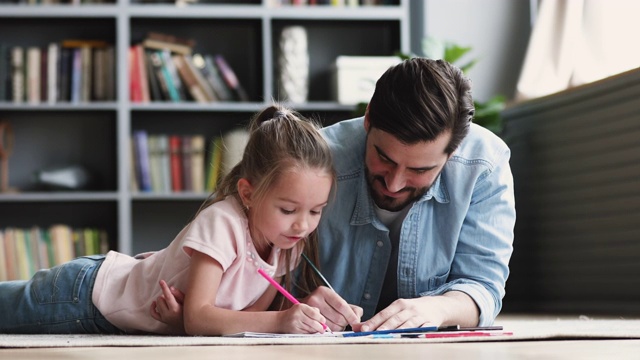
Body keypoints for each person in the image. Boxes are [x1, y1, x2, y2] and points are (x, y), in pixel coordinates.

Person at [0, 105, 343, 335]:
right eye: (288, 210)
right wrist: (282, 320)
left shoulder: (286, 242)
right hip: (88, 297)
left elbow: (242, 321)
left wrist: (187, 322)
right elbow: (199, 316)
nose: (303, 226)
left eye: (316, 211)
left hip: (114, 314)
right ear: (249, 193)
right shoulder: (223, 222)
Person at [302, 57, 516, 332]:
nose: (393, 184)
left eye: (419, 169)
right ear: (368, 119)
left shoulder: (484, 166)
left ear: (453, 151)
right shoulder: (313, 160)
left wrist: (437, 308)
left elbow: (484, 287)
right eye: (384, 158)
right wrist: (295, 303)